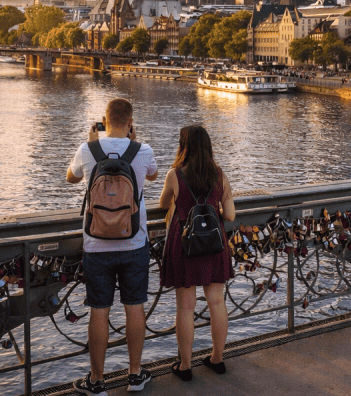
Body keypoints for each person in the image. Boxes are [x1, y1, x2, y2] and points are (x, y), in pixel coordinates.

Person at [67, 99, 158, 394]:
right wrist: (134, 141)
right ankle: (134, 376)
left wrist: (91, 143)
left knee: (99, 310)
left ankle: (96, 381)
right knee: (134, 307)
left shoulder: (87, 149)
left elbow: (71, 178)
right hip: (134, 241)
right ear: (130, 120)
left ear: (104, 120)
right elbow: (153, 175)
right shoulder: (142, 150)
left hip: (96, 244)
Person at [158, 126, 235, 381]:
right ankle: (217, 359)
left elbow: (162, 203)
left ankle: (186, 366)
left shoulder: (175, 175)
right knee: (217, 302)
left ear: (184, 148)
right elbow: (231, 215)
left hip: (185, 244)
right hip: (214, 243)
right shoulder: (220, 175)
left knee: (186, 307)